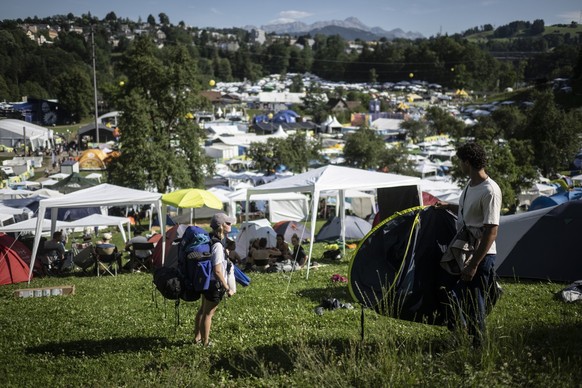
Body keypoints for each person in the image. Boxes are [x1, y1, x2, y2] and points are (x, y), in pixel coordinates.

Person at [435, 142, 502, 347]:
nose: (459, 165)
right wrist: (448, 206)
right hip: (465, 251)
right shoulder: (470, 184)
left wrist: (473, 264)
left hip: (480, 256)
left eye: (460, 162)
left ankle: (477, 346)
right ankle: (461, 336)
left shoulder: (490, 190)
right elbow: (469, 212)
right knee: (453, 296)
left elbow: (491, 231)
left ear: (467, 162)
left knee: (475, 303)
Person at [194, 212, 236, 347]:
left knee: (202, 310)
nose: (231, 225)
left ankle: (197, 339)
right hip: (214, 283)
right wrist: (227, 287)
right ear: (221, 226)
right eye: (228, 223)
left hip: (206, 280)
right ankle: (206, 343)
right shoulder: (217, 245)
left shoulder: (210, 239)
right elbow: (217, 270)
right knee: (209, 313)